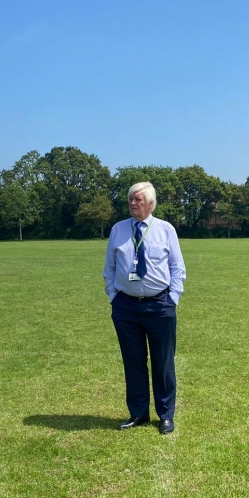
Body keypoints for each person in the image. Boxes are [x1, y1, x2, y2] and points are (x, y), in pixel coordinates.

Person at [103, 182, 186, 435]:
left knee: (163, 362)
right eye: (130, 199)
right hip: (126, 307)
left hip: (160, 305)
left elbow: (177, 268)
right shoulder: (118, 229)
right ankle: (138, 412)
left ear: (150, 204)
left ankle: (165, 415)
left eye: (138, 199)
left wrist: (173, 297)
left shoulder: (165, 229)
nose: (132, 203)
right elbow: (109, 268)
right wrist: (113, 297)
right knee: (133, 361)